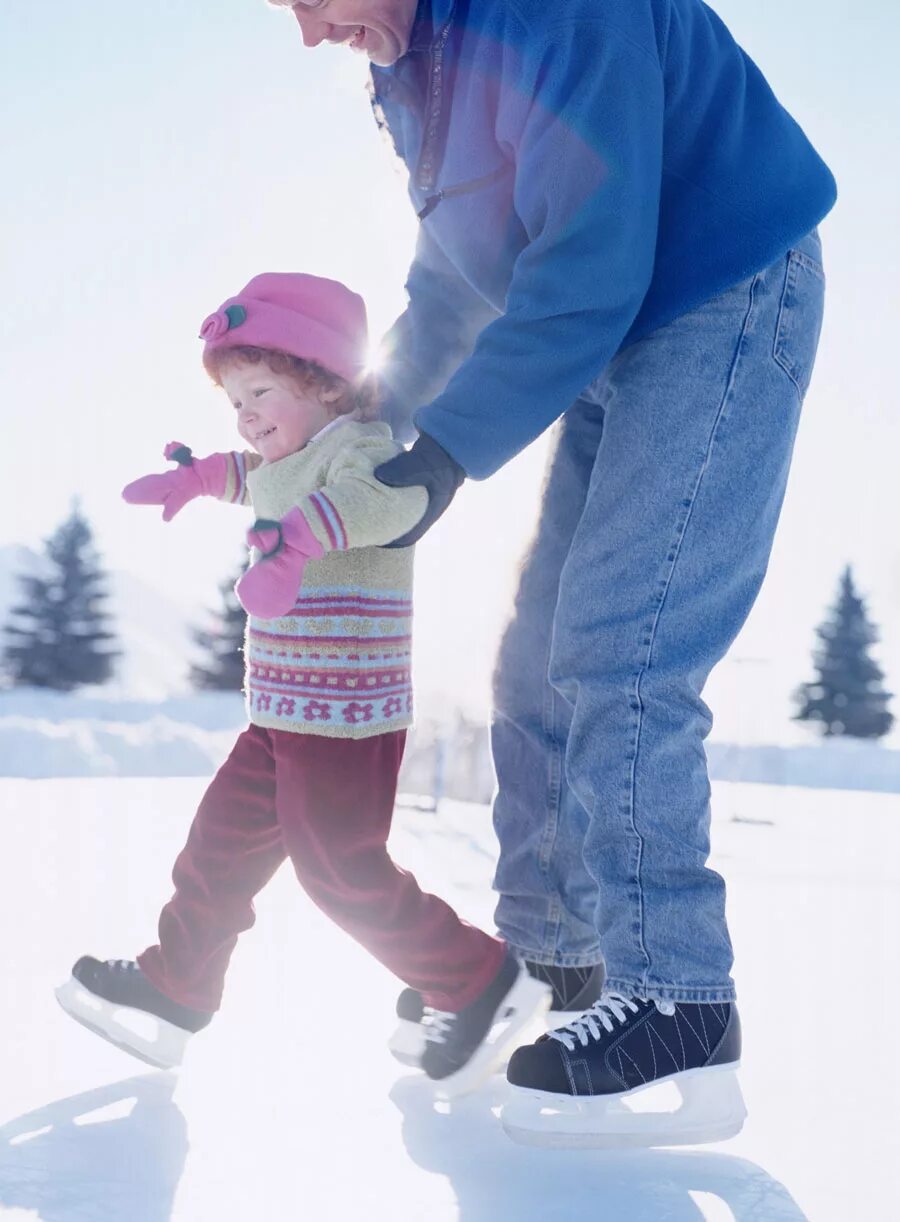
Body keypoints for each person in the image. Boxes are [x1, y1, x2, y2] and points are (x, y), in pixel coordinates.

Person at [275, 0, 837, 1147]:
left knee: (623, 644)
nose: (307, 31)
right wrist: (374, 445)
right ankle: (555, 962)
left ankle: (677, 998)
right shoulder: (413, 59)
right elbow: (452, 280)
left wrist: (443, 458)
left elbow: (588, 260)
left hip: (719, 293)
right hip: (615, 334)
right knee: (531, 664)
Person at [54, 272, 552, 1098]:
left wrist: (300, 541)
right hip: (279, 716)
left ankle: (479, 979)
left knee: (341, 871)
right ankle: (176, 987)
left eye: (260, 391)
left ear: (322, 381)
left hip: (346, 722)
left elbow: (379, 507)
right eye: (234, 401)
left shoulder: (360, 449)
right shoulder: (284, 460)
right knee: (213, 852)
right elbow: (249, 476)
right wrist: (197, 477)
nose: (246, 415)